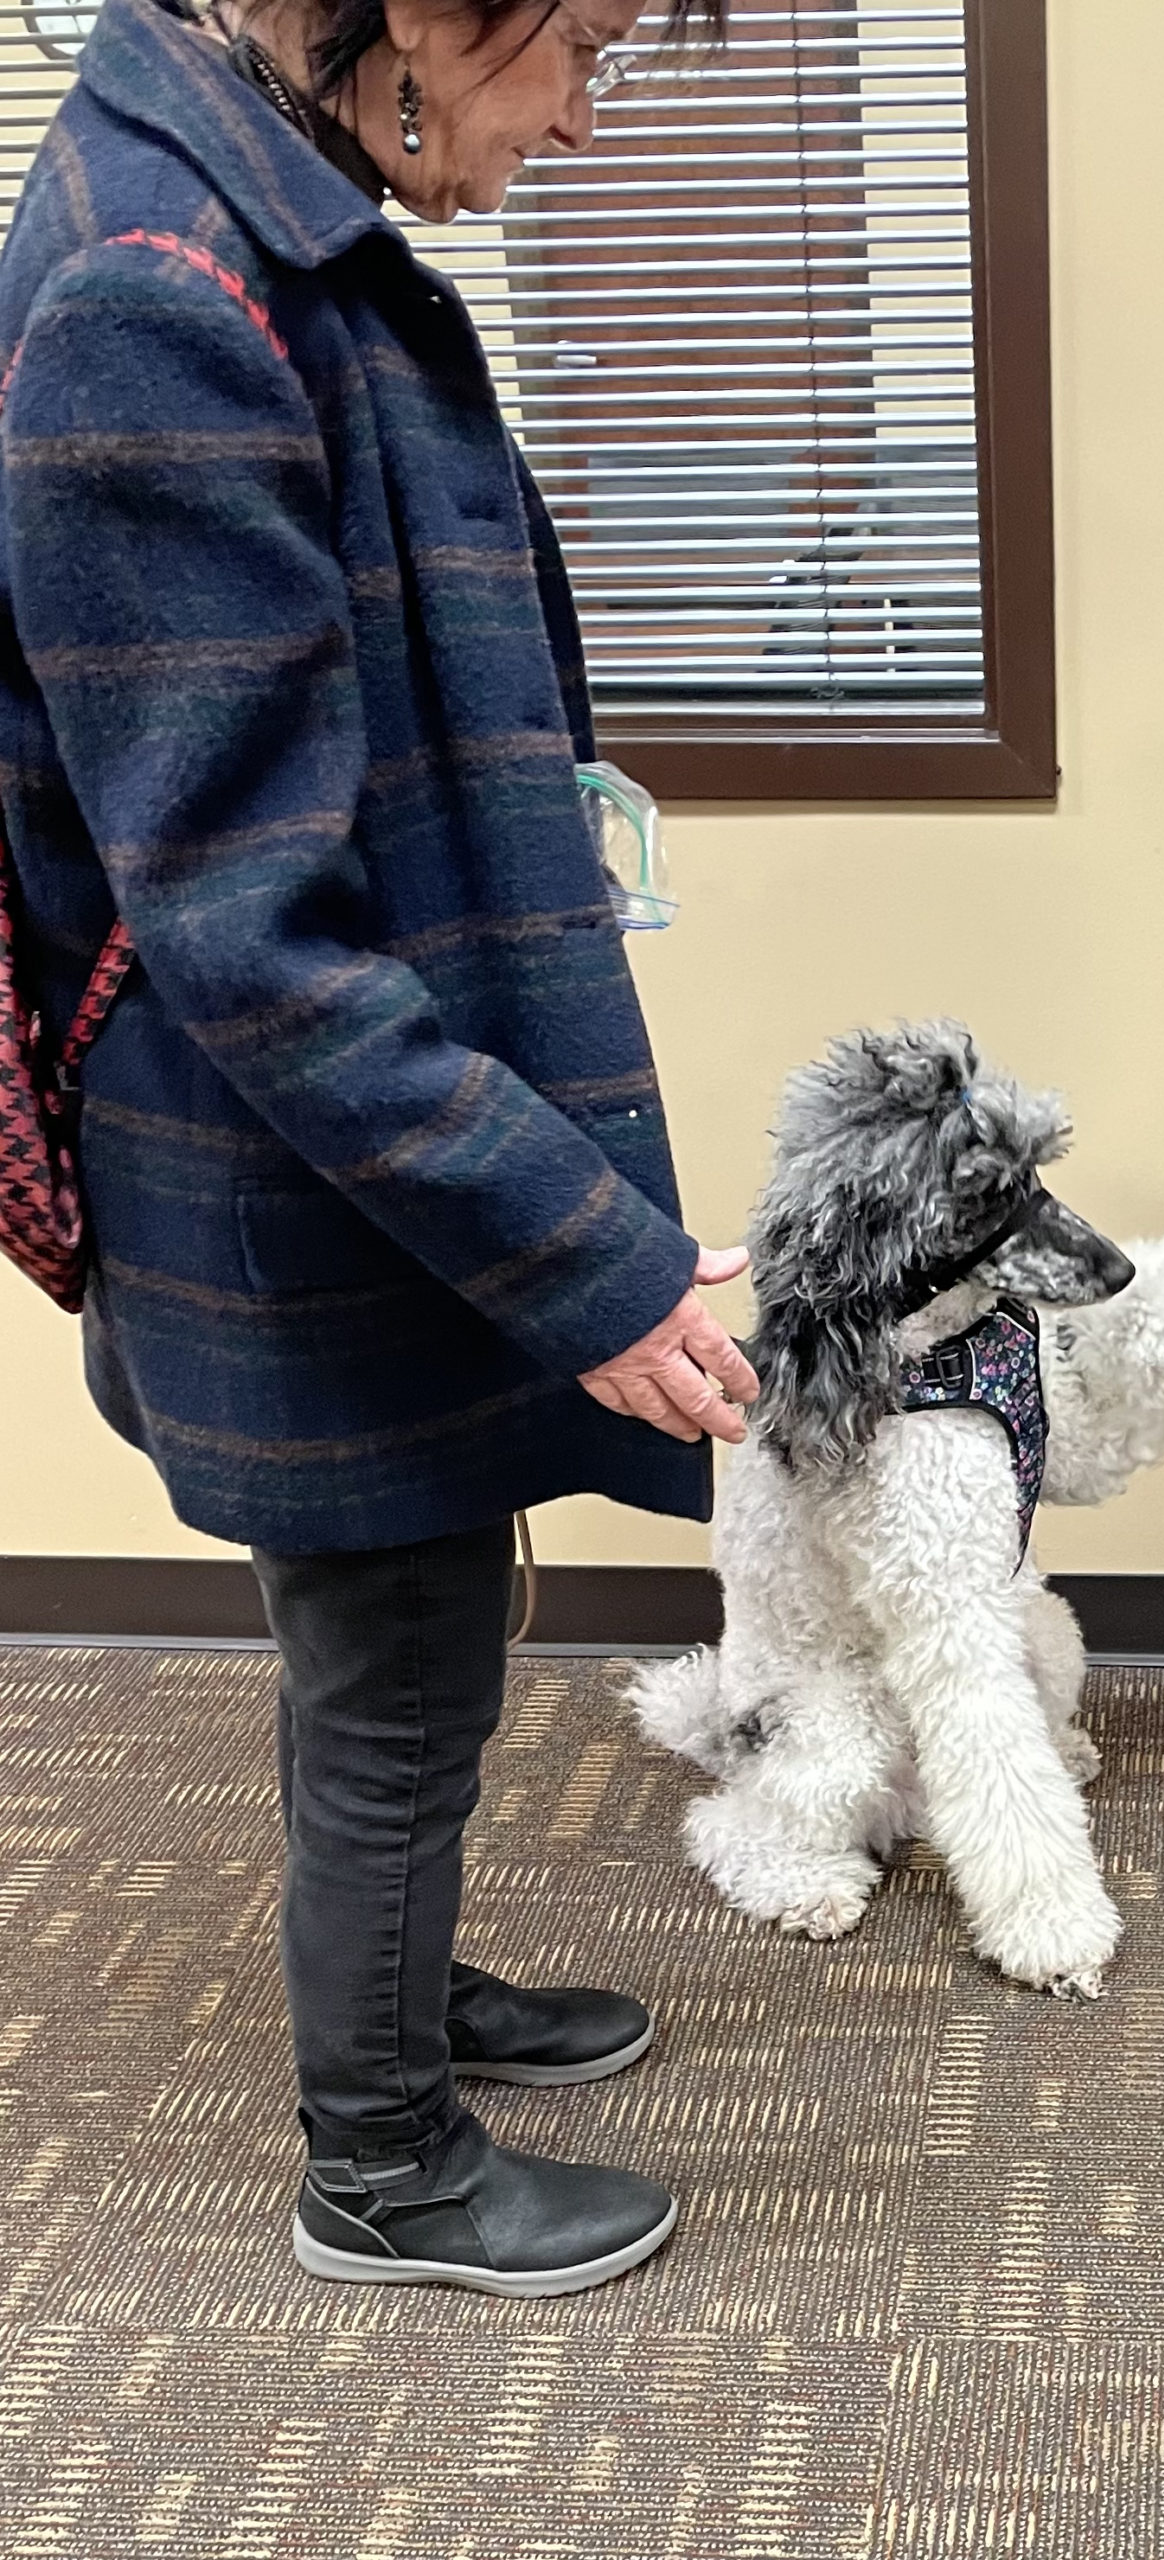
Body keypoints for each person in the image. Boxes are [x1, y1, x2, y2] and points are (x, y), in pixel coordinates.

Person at [0, 0, 753, 2298]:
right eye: (578, 49)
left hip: (358, 1138)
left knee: (416, 1620)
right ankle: (386, 2160)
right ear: (427, 15)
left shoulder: (262, 216)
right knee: (397, 1642)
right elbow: (254, 938)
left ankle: (408, 2001)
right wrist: (595, 1260)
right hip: (286, 1162)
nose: (582, 113)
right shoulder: (165, 291)